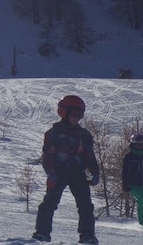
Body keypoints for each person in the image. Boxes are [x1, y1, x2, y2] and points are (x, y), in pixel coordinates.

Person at [32, 95, 100, 244]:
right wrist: (51, 174)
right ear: (64, 112)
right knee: (49, 203)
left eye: (80, 115)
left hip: (77, 173)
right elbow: (48, 157)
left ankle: (87, 235)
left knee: (85, 205)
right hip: (58, 172)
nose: (77, 118)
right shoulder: (54, 133)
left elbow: (89, 156)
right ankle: (42, 233)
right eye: (74, 114)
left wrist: (95, 172)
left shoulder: (84, 135)